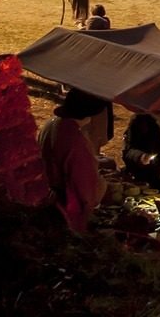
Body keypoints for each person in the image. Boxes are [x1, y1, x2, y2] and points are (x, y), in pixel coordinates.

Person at [38, 99, 102, 233]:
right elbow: (83, 181)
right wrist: (98, 192)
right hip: (65, 204)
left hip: (46, 193)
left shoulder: (51, 123)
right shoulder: (75, 138)